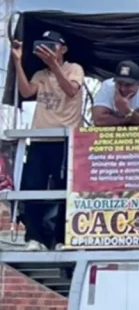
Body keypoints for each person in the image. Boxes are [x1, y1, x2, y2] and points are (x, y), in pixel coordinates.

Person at [12, 31, 84, 251]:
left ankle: (62, 238)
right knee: (32, 188)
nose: (48, 50)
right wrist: (17, 61)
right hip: (40, 137)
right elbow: (26, 92)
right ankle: (34, 238)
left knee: (65, 190)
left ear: (63, 49)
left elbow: (71, 90)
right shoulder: (40, 74)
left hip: (65, 140)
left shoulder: (74, 68)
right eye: (44, 45)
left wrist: (54, 65)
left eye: (53, 46)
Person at [92, 60, 139, 126]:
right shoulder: (108, 86)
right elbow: (99, 121)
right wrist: (133, 115)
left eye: (128, 85)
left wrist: (126, 111)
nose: (123, 88)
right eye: (119, 83)